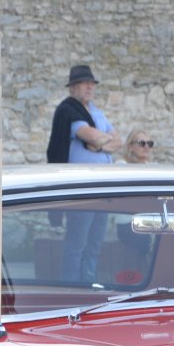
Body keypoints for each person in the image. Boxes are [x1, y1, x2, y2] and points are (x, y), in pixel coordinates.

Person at [45, 64, 119, 281]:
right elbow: (92, 136)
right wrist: (100, 141)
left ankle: (87, 284)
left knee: (95, 243)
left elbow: (118, 141)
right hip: (83, 189)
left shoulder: (96, 112)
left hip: (102, 189)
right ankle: (70, 287)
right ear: (72, 87)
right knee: (77, 243)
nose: (89, 87)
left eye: (91, 83)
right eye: (83, 83)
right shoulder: (70, 111)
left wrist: (99, 146)